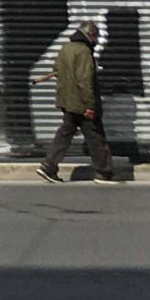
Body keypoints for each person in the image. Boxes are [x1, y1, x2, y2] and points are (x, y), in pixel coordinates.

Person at [38, 17, 116, 182]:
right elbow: (85, 81)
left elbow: (56, 70)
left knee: (65, 133)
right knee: (96, 137)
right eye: (96, 37)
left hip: (67, 102)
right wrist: (90, 106)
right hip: (81, 104)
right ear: (91, 34)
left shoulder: (65, 48)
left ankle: (48, 166)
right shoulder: (84, 52)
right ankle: (104, 172)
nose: (96, 41)